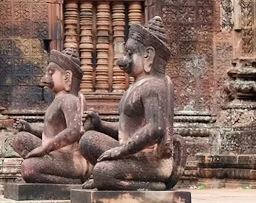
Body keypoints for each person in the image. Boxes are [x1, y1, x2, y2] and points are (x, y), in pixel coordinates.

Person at [79, 17, 182, 190]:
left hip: (152, 161)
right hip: (134, 154)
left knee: (102, 172)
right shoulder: (136, 86)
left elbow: (155, 129)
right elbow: (127, 130)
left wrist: (119, 151)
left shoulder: (153, 86)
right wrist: (100, 125)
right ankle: (108, 177)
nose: (123, 59)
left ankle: (155, 185)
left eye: (129, 53)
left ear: (148, 55)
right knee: (87, 140)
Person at [12, 46, 89, 184]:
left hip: (69, 160)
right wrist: (30, 129)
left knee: (28, 167)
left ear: (67, 76)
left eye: (52, 72)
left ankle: (71, 181)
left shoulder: (69, 100)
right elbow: (54, 133)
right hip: (55, 154)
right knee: (20, 139)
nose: (47, 76)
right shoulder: (59, 99)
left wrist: (44, 149)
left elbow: (74, 131)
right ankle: (40, 171)